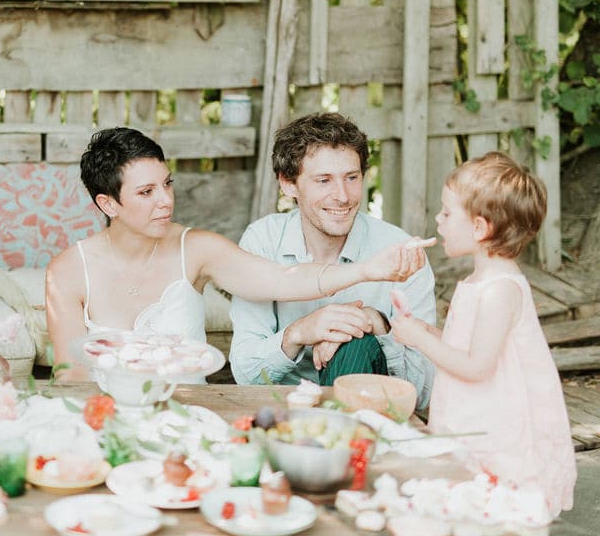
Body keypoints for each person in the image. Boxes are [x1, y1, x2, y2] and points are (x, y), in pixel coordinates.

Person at [46, 127, 432, 382]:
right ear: (108, 204)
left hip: (185, 414)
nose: (166, 201)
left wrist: (367, 271)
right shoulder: (66, 272)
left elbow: (283, 278)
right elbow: (71, 377)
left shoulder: (197, 248)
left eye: (167, 184)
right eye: (147, 193)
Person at [391, 151, 576, 516]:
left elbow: (478, 366)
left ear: (479, 228)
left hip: (497, 416)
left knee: (494, 490)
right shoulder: (478, 281)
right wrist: (431, 331)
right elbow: (467, 347)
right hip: (472, 407)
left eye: (446, 213)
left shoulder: (500, 290)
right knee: (467, 486)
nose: (437, 220)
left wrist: (419, 339)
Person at [228, 113, 437, 409]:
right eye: (324, 180)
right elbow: (246, 373)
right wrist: (300, 332)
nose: (342, 196)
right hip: (285, 414)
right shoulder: (263, 242)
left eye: (351, 178)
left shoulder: (400, 251)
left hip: (369, 422)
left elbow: (423, 391)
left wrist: (376, 324)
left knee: (356, 342)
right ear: (288, 184)